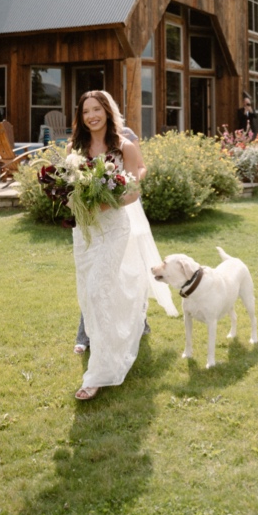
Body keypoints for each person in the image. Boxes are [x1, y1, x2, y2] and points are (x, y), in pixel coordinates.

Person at [69, 90, 171, 400]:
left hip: (113, 228)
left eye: (96, 109)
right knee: (90, 294)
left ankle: (98, 374)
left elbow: (134, 189)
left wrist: (104, 204)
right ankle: (123, 329)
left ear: (107, 112)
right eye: (86, 111)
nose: (91, 116)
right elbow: (69, 185)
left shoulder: (123, 146)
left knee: (99, 291)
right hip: (84, 232)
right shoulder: (77, 148)